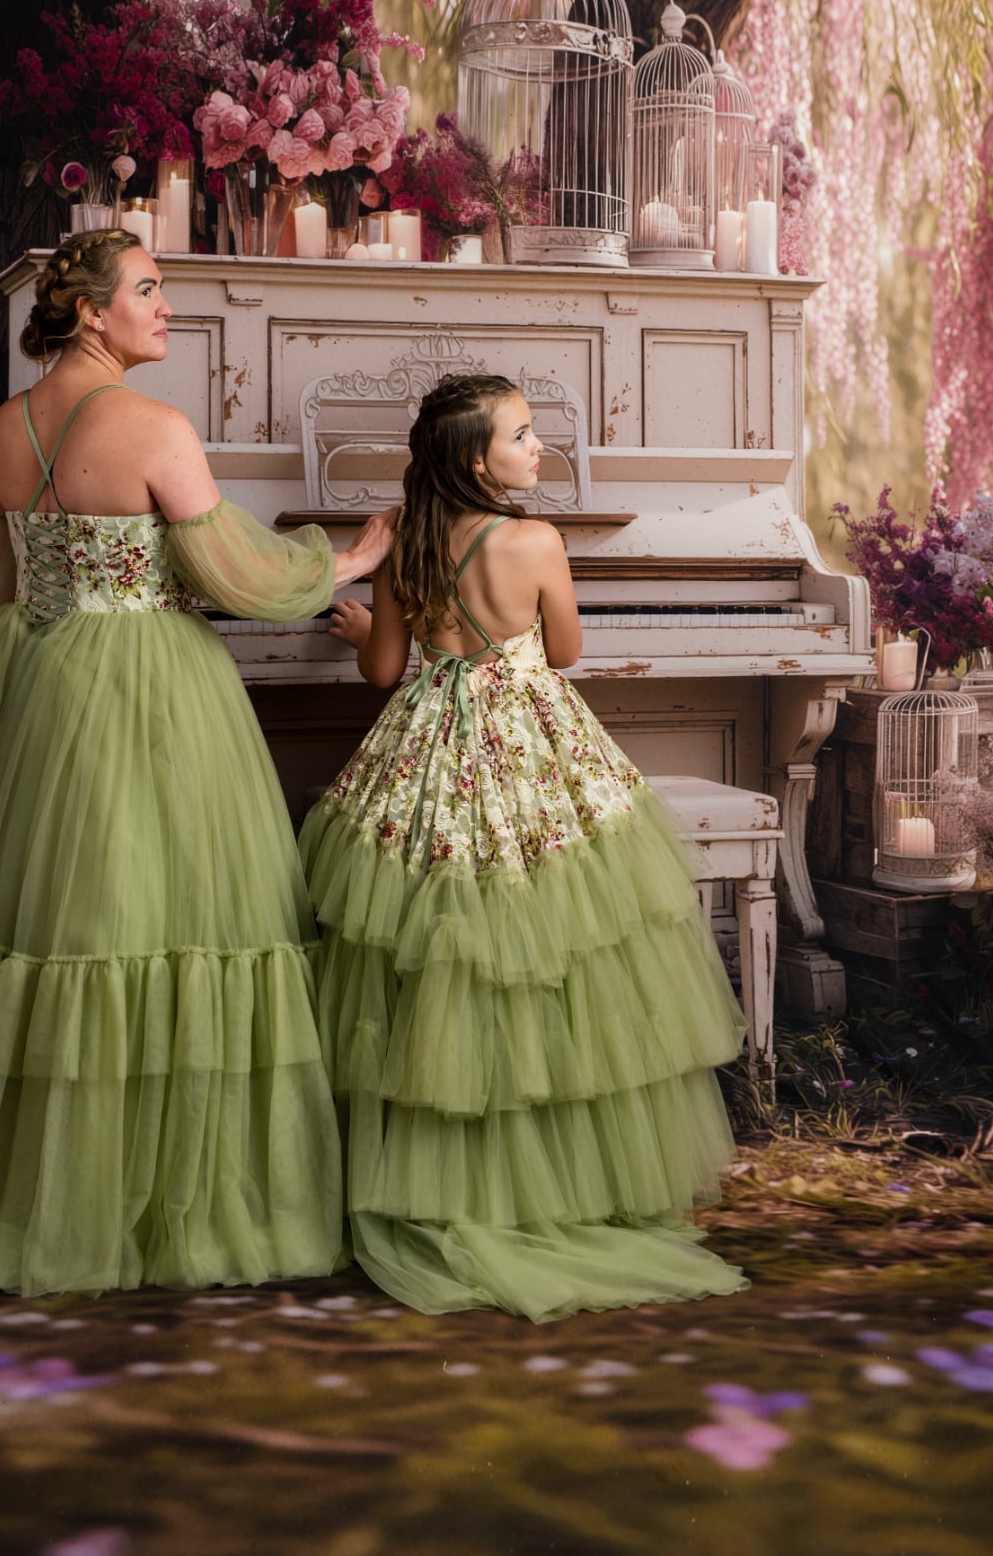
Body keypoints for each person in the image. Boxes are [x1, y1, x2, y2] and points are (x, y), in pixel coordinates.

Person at [0, 229, 392, 1297]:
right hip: (144, 680)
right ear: (93, 311)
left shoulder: (7, 427)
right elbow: (235, 573)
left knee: (26, 922)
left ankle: (7, 1188)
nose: (166, 307)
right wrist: (350, 558)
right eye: (149, 288)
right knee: (147, 917)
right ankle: (143, 1193)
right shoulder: (152, 425)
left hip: (25, 676)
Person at [302, 372, 748, 1322]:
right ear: (477, 459)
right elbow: (569, 649)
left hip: (426, 742)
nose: (540, 446)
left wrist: (356, 627)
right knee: (553, 945)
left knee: (432, 950)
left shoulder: (406, 539)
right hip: (529, 743)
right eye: (524, 434)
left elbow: (385, 670)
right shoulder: (538, 540)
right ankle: (559, 1175)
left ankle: (436, 1174)